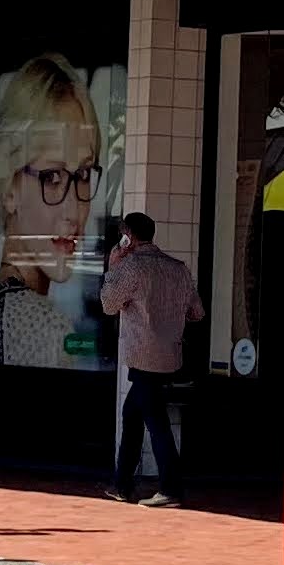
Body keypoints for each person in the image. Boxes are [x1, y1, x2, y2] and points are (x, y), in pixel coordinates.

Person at [0, 55, 108, 371]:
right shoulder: (47, 326)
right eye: (52, 177)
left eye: (82, 175)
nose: (73, 210)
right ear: (8, 187)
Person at [98, 212, 200, 506]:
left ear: (128, 234)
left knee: (155, 420)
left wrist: (112, 267)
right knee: (132, 415)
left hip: (143, 356)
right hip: (169, 355)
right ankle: (122, 483)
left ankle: (170, 488)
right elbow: (197, 312)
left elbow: (108, 304)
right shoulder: (178, 268)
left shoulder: (130, 267)